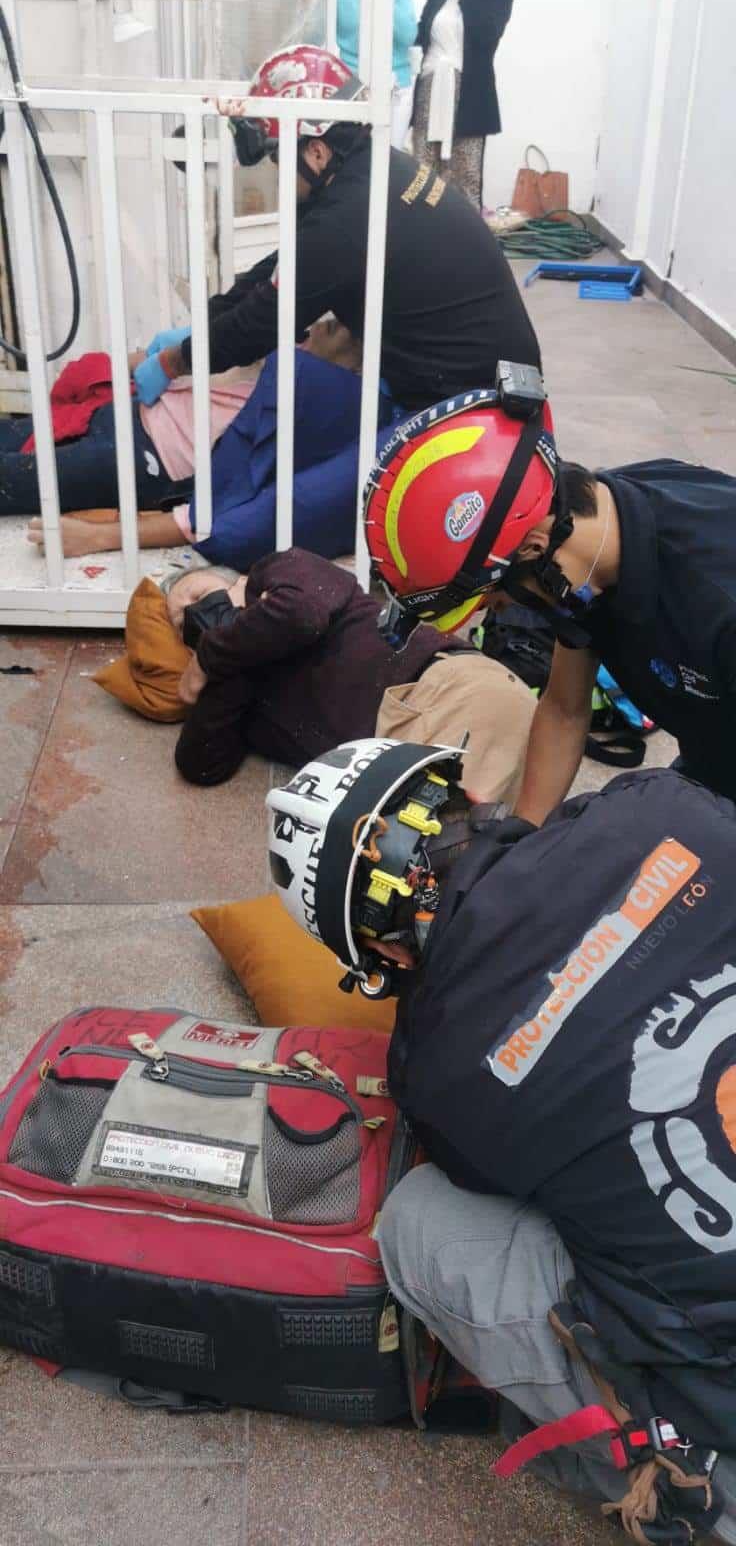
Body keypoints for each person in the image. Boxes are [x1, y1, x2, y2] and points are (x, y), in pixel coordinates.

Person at [266, 741, 736, 1544]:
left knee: (421, 1221)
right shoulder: (660, 802)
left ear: (381, 952)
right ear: (471, 797)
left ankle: (687, 1476)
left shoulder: (436, 1073)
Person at [363, 368, 736, 805]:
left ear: (534, 547)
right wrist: (522, 834)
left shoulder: (716, 600)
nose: (499, 613)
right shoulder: (589, 540)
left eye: (494, 600)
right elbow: (563, 710)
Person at [132, 44, 540, 417]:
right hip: (493, 378)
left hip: (469, 406)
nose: (277, 172)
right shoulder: (375, 169)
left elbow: (260, 324)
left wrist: (172, 363)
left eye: (278, 158)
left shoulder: (346, 219)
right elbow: (287, 264)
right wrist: (207, 322)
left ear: (316, 151)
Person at [29, 320, 398, 569]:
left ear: (357, 368)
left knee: (17, 477)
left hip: (145, 459)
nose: (321, 323)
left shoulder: (315, 413)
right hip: (125, 412)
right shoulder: (282, 341)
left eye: (338, 327)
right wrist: (143, 361)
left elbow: (213, 513)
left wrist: (97, 537)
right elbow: (229, 325)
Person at [168, 548, 536, 794]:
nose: (194, 614)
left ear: (236, 580)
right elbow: (200, 764)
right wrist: (229, 656)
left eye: (200, 596)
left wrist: (211, 653)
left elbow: (303, 614)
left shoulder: (282, 570)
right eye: (183, 621)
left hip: (439, 695)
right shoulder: (233, 670)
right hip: (392, 764)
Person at [0, 350, 252, 518]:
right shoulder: (262, 311)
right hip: (134, 409)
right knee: (10, 439)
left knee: (13, 478)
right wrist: (151, 358)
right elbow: (230, 321)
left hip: (152, 460)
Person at [412, 0, 514, 209]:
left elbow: (487, 36)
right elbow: (421, 33)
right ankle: (422, 225)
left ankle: (463, 230)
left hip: (470, 95)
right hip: (430, 87)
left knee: (464, 174)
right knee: (423, 171)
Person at [336, 0, 418, 149]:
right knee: (353, 158)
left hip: (396, 87)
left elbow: (408, 36)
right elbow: (318, 30)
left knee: (390, 159)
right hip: (352, 84)